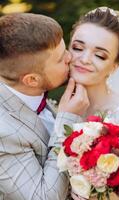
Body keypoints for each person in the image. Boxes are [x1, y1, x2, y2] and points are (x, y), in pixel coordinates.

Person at [0, 13, 90, 200]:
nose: (70, 57)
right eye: (59, 59)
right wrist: (67, 119)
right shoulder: (4, 133)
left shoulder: (28, 91)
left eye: (66, 49)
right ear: (32, 80)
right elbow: (43, 196)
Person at [68, 6, 119, 200]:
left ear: (114, 66)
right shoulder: (53, 106)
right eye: (78, 48)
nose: (84, 59)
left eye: (100, 55)